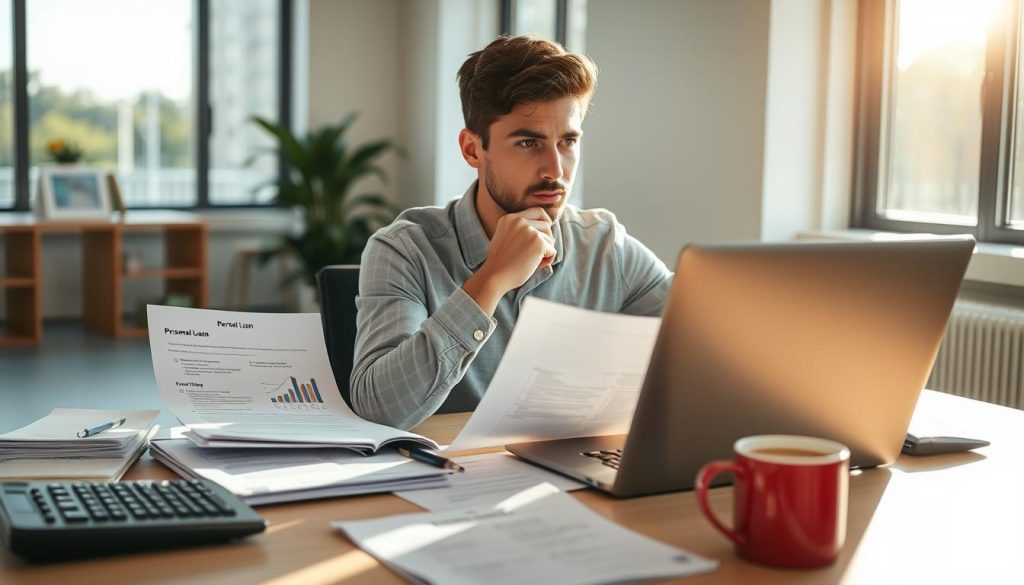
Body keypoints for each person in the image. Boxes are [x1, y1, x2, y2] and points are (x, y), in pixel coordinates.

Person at [350, 35, 672, 430]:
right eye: (527, 142)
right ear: (473, 150)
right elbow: (378, 407)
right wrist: (491, 279)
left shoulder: (605, 246)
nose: (555, 169)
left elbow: (703, 340)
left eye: (568, 141)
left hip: (569, 474)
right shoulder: (404, 250)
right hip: (444, 479)